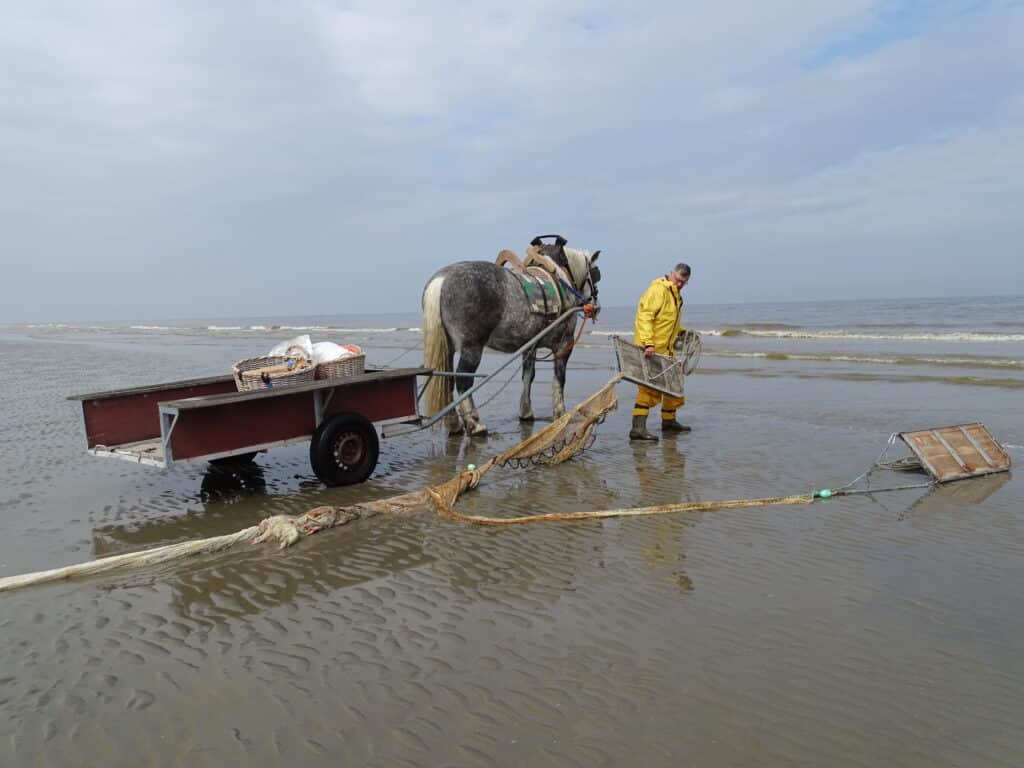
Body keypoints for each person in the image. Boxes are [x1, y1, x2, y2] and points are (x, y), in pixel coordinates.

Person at [630, 263, 691, 441]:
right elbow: (645, 316)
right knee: (648, 388)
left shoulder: (675, 294)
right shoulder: (658, 290)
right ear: (672, 273)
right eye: (678, 280)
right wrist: (648, 343)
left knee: (674, 384)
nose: (680, 284)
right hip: (651, 349)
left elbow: (668, 320)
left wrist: (681, 331)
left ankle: (669, 422)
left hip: (667, 349)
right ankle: (637, 429)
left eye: (684, 283)